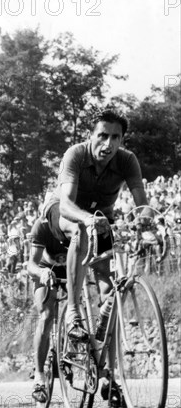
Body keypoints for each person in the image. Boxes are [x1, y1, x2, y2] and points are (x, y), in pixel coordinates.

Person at [44, 108, 152, 342]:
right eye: (102, 135)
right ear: (90, 135)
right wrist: (87, 219)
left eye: (115, 137)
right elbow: (66, 205)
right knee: (81, 230)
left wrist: (143, 217)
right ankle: (73, 313)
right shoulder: (76, 154)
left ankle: (105, 370)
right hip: (65, 212)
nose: (108, 143)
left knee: (109, 290)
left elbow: (141, 202)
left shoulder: (127, 160)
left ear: (122, 140)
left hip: (102, 218)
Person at [27, 217, 67, 404]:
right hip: (45, 268)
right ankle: (39, 376)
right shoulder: (42, 225)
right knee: (47, 314)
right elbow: (31, 264)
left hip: (70, 269)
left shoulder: (77, 221)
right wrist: (41, 273)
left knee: (80, 308)